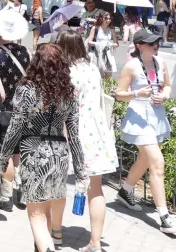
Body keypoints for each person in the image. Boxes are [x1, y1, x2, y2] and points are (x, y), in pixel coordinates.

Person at [0, 43, 87, 252]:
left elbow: (15, 127)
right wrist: (81, 169)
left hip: (34, 152)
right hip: (59, 155)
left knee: (36, 216)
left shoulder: (27, 89)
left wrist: (4, 157)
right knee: (46, 212)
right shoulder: (68, 92)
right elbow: (74, 135)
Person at [114, 29, 176, 234]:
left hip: (157, 114)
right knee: (157, 163)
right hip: (139, 117)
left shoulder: (160, 63)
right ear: (139, 46)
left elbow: (168, 86)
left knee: (145, 160)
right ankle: (164, 216)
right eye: (151, 43)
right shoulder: (131, 67)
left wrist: (164, 95)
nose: (156, 45)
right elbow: (119, 94)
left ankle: (125, 191)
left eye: (157, 42)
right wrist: (136, 93)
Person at [57, 32, 118, 252]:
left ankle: (55, 232)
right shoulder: (92, 68)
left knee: (58, 183)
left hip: (74, 131)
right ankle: (95, 241)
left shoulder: (68, 72)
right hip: (96, 130)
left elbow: (65, 108)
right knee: (96, 188)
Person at [0, 11, 32, 211]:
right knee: (19, 152)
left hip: (4, 109)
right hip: (25, 108)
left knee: (6, 153)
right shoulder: (25, 52)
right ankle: (21, 192)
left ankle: (6, 197)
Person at [86, 10, 118, 77]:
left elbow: (116, 44)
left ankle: (107, 87)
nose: (108, 20)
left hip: (108, 55)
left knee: (108, 76)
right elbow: (89, 42)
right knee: (97, 75)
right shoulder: (95, 28)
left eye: (109, 19)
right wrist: (100, 44)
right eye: (106, 18)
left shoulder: (112, 30)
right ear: (101, 18)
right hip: (97, 54)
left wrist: (111, 44)